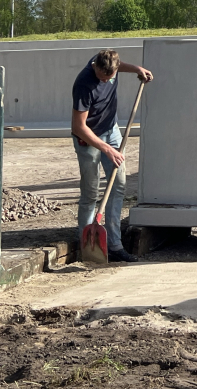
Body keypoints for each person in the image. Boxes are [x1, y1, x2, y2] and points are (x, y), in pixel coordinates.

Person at [71, 49, 153, 263]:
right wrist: (106, 149)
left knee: (118, 186)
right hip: (88, 138)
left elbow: (120, 65)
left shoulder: (110, 66)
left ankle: (115, 245)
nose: (106, 80)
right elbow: (78, 127)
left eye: (110, 76)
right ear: (95, 66)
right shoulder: (84, 84)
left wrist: (137, 69)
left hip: (112, 131)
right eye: (102, 76)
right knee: (90, 192)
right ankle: (87, 246)